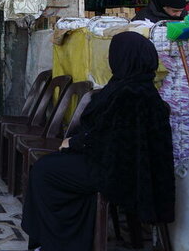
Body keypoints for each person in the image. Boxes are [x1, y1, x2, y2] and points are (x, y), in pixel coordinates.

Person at [21, 32, 175, 251]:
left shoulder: (132, 94)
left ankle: (54, 242)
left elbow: (114, 140)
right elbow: (109, 134)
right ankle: (64, 240)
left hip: (117, 172)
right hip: (113, 164)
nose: (108, 59)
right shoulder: (133, 85)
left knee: (45, 172)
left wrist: (75, 143)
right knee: (55, 167)